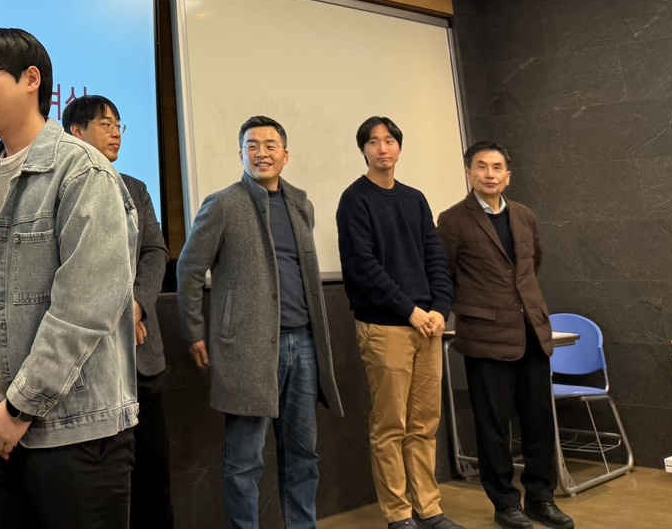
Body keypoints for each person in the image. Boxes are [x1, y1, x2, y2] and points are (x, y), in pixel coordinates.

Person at [0, 28, 138, 529]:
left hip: (77, 430)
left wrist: (19, 407)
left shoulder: (82, 173)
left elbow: (86, 306)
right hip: (4, 428)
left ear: (31, 79)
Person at [178, 116, 342, 529]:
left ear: (286, 155)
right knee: (244, 462)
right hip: (247, 350)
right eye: (252, 146)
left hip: (304, 345)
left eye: (270, 146)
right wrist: (195, 331)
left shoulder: (301, 204)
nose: (261, 153)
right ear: (240, 155)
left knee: (303, 455)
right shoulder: (223, 204)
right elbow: (189, 270)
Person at [437, 142, 574, 529]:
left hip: (531, 332)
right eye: (481, 167)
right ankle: (504, 503)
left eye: (497, 167)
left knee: (538, 422)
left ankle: (541, 498)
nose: (490, 174)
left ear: (508, 176)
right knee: (493, 427)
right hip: (485, 336)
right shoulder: (452, 220)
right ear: (469, 173)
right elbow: (445, 273)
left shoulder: (524, 215)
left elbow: (532, 264)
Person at [337, 116, 459, 529]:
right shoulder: (355, 200)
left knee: (424, 425)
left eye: (389, 140)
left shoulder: (415, 199)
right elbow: (363, 268)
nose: (382, 148)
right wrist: (410, 310)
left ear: (399, 148)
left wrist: (440, 308)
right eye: (373, 141)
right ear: (364, 150)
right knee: (391, 425)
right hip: (386, 326)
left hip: (429, 325)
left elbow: (435, 257)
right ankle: (399, 514)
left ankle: (429, 508)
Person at [62, 95, 172, 529]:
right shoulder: (60, 188)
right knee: (100, 487)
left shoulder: (136, 189)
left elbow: (154, 251)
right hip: (87, 366)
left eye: (118, 125)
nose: (115, 133)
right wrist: (118, 309)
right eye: (104, 124)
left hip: (142, 356)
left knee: (153, 475)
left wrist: (138, 303)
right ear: (76, 133)